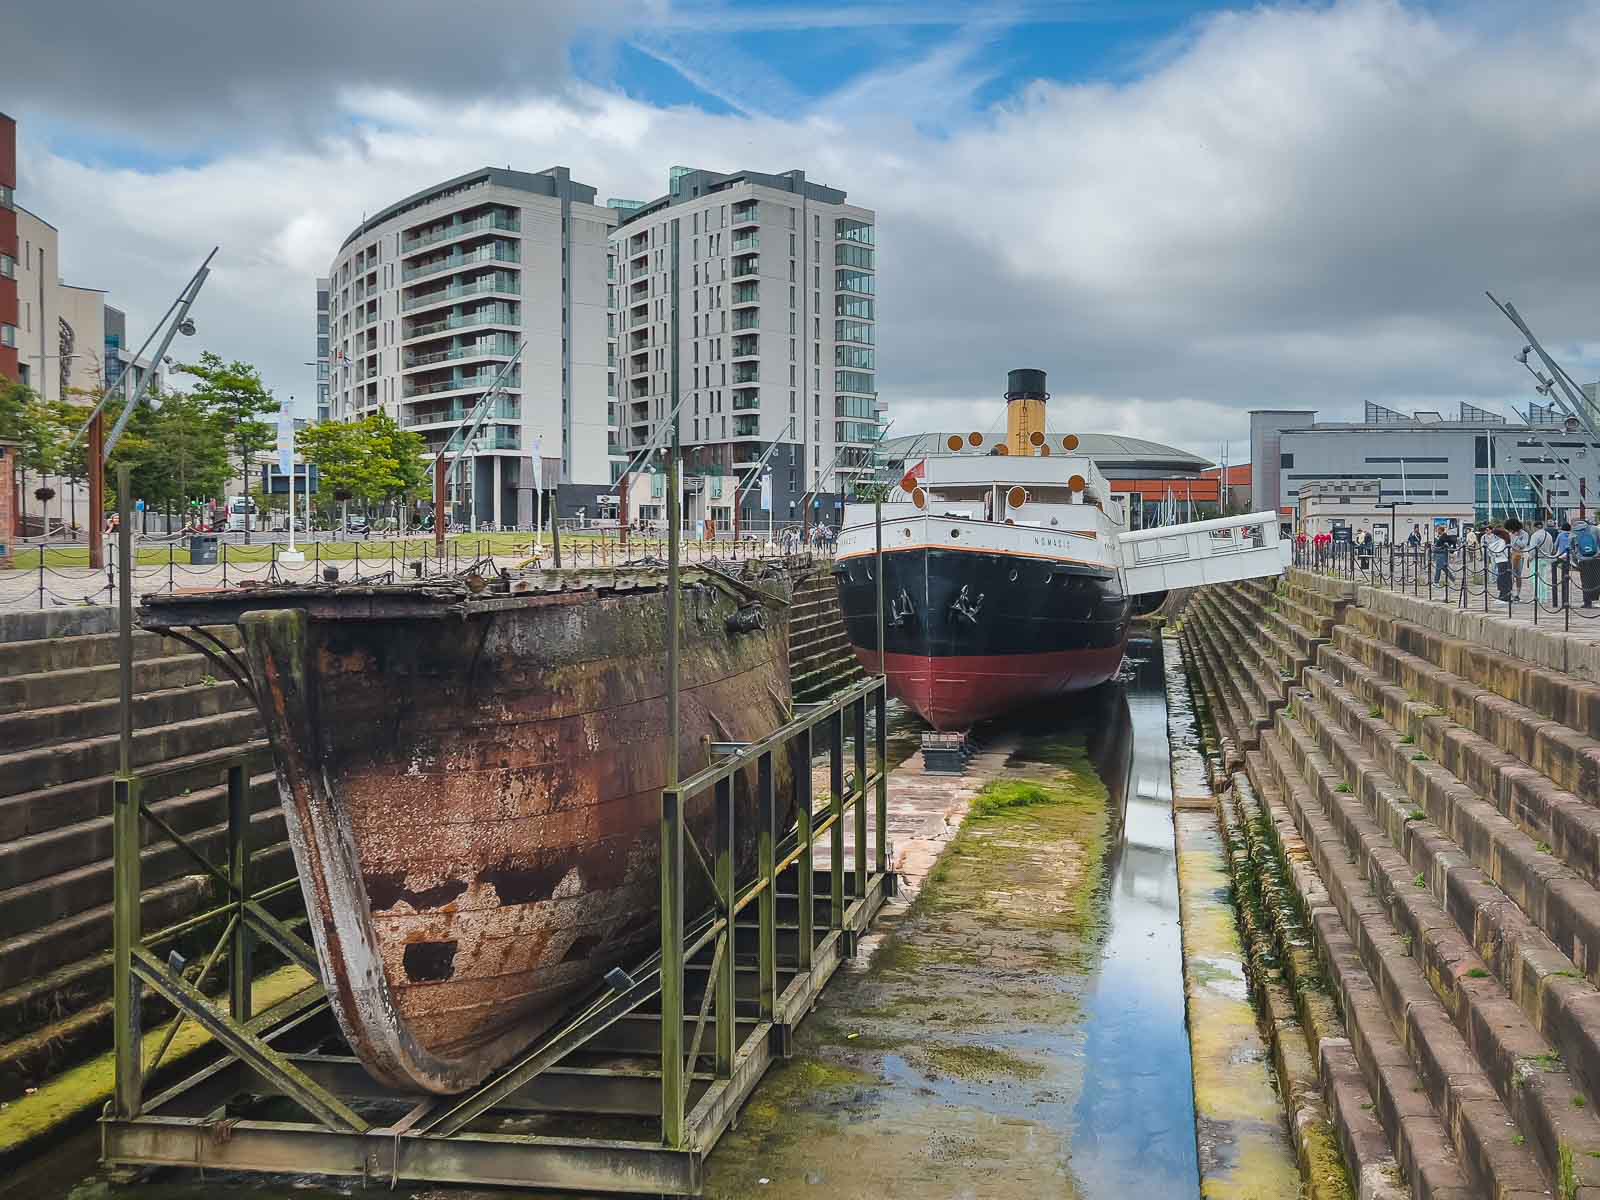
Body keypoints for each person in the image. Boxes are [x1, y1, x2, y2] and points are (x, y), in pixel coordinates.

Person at [1484, 525, 1513, 602]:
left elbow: (1498, 552)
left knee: (1504, 580)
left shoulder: (1502, 541)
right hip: (1500, 562)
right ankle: (1502, 596)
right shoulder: (1500, 541)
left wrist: (1492, 551)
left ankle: (1505, 598)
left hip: (1503, 562)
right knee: (1501, 580)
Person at [1506, 517, 1529, 602]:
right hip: (1509, 555)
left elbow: (1523, 545)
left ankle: (1518, 594)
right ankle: (1510, 592)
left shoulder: (1524, 534)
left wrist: (1515, 538)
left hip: (1519, 555)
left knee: (1518, 575)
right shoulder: (1509, 533)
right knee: (1509, 575)